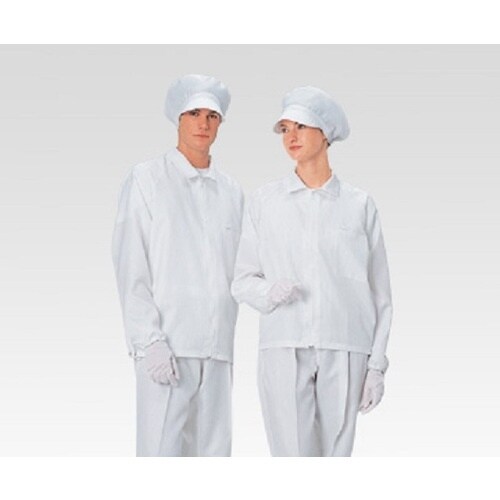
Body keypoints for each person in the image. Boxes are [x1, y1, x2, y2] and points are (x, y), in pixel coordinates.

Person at [231, 86, 392, 457]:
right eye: (285, 129)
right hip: (284, 345)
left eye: (301, 126)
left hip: (345, 346)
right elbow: (241, 280)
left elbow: (380, 295)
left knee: (336, 458)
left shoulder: (359, 205)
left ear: (325, 133)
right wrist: (268, 293)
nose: (291, 136)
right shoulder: (265, 202)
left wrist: (377, 365)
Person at [112, 74, 244, 456]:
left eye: (212, 116)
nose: (203, 123)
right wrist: (148, 340)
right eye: (194, 113)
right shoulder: (148, 179)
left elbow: (243, 268)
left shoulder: (231, 191)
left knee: (213, 457)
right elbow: (131, 263)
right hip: (167, 347)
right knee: (161, 455)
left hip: (217, 352)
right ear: (178, 118)